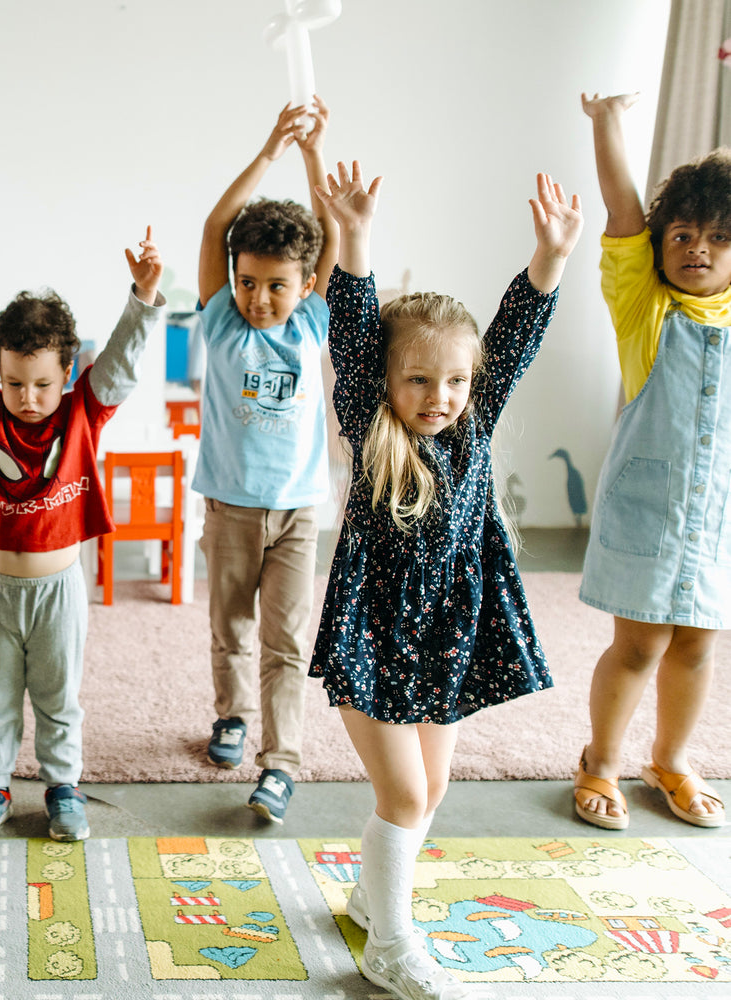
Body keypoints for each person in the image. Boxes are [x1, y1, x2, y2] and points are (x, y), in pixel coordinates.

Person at [312, 161, 581, 999]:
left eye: (457, 380)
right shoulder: (368, 413)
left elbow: (517, 332)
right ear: (387, 381)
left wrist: (552, 258)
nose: (441, 395)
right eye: (420, 378)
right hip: (376, 628)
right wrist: (353, 238)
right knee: (402, 790)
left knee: (431, 788)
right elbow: (353, 330)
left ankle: (368, 897)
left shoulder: (478, 415)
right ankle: (390, 944)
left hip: (452, 629)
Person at [0, 221, 165, 844]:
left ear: (68, 373)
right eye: (15, 381)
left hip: (58, 591)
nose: (28, 397)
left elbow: (121, 366)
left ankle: (63, 787)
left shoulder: (83, 411)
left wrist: (144, 299)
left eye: (43, 383)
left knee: (58, 699)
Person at [573, 92, 731, 831]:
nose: (698, 248)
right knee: (638, 646)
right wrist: (608, 123)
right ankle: (600, 762)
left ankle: (669, 759)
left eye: (718, 238)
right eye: (685, 235)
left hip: (716, 520)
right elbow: (625, 213)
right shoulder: (646, 307)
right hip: (647, 516)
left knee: (696, 648)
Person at [194, 99, 338, 822]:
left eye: (276, 284)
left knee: (286, 640)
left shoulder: (313, 319)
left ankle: (280, 763)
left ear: (306, 285)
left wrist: (314, 156)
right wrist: (270, 149)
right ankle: (232, 716)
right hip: (229, 507)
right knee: (230, 628)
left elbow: (331, 235)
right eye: (248, 281)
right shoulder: (221, 315)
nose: (257, 297)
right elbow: (217, 227)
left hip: (298, 513)